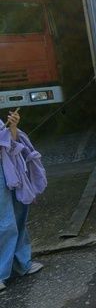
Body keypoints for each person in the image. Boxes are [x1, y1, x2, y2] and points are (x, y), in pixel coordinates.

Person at [0, 109, 46, 292]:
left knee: (20, 215)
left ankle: (22, 263)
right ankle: (2, 272)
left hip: (9, 170)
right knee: (5, 223)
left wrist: (13, 126)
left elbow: (10, 144)